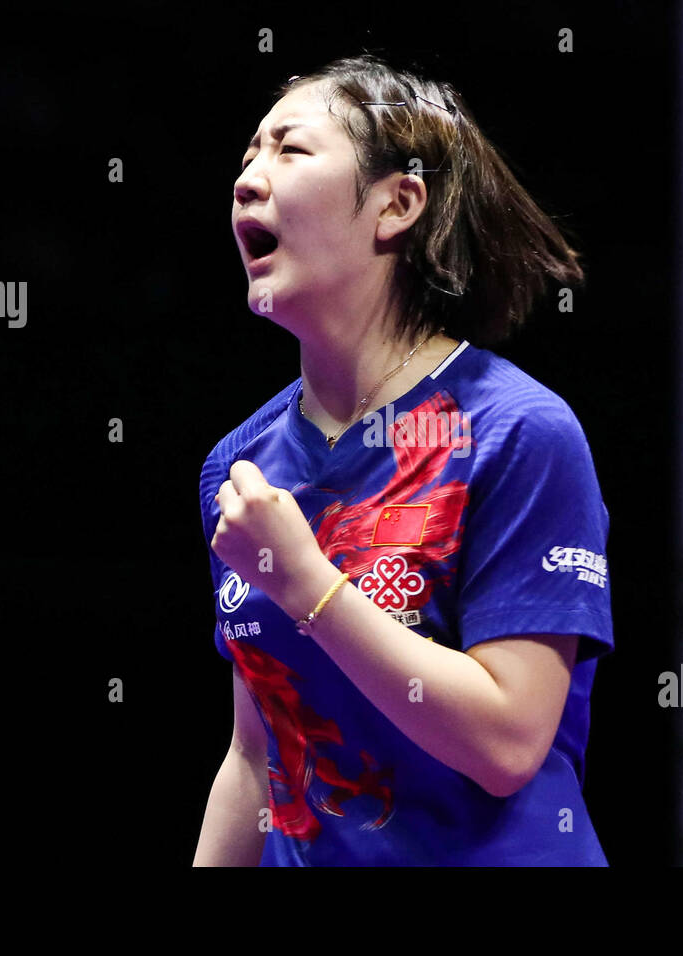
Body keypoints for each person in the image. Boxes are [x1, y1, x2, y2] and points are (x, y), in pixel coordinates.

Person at [193, 55, 613, 866]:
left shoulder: (516, 431)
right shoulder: (238, 465)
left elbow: (507, 742)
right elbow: (256, 757)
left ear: (397, 203)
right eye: (248, 154)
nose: (247, 178)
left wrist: (308, 584)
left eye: (290, 149)